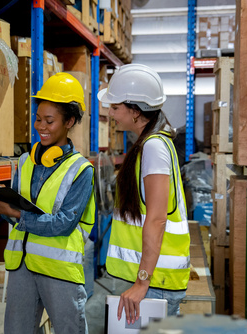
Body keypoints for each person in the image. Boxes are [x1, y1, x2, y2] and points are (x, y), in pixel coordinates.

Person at [0, 72, 96, 334]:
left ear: (69, 121)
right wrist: (1, 203)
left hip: (60, 271)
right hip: (22, 267)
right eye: (37, 119)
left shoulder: (81, 170)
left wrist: (15, 213)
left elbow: (64, 224)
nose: (41, 126)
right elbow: (16, 213)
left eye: (49, 121)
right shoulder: (25, 162)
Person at [98, 64, 190, 324]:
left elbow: (158, 218)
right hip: (152, 280)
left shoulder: (154, 148)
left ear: (136, 112)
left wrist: (142, 282)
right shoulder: (152, 143)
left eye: (115, 108)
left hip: (154, 282)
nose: (110, 113)